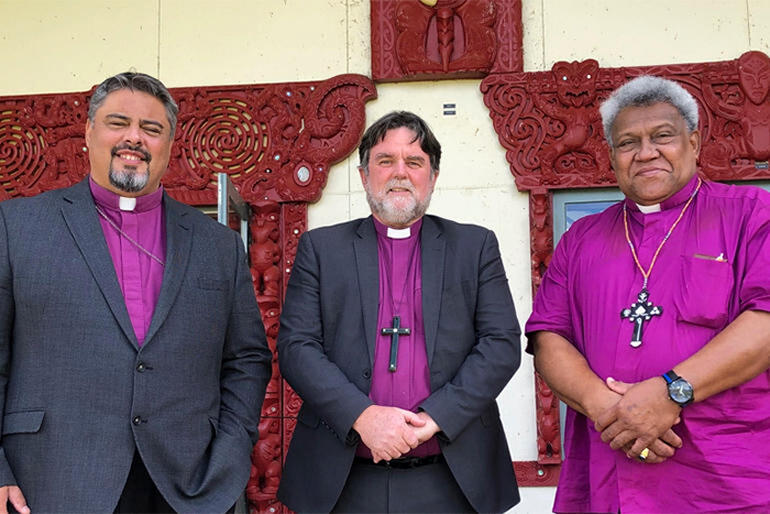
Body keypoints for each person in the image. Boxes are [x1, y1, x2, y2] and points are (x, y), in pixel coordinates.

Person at [0, 72, 272, 513]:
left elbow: (247, 359)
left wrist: (230, 451)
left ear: (169, 143)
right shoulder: (17, 227)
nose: (134, 138)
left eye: (151, 129)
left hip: (188, 486)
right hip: (50, 481)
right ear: (88, 132)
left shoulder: (216, 243)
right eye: (118, 122)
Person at [526, 75, 770, 512]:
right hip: (608, 476)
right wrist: (603, 407)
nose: (645, 152)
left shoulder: (750, 215)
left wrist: (671, 391)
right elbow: (548, 337)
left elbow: (766, 322)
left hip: (723, 479)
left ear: (694, 143)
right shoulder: (582, 238)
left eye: (663, 136)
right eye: (627, 142)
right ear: (612, 156)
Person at [276, 111, 521, 513]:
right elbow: (297, 348)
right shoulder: (321, 250)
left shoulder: (474, 247)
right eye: (386, 161)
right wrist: (363, 416)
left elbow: (501, 345)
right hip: (343, 478)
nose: (400, 173)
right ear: (363, 175)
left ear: (434, 176)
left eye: (415, 162)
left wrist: (436, 417)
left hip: (453, 474)